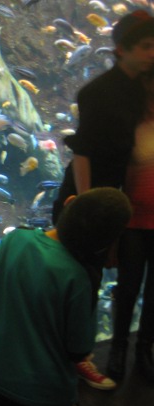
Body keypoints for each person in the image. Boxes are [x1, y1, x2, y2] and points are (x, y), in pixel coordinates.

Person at [0, 188, 132, 406]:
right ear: (108, 241)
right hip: (47, 398)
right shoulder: (78, 277)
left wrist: (14, 314)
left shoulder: (16, 239)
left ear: (68, 203)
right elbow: (78, 348)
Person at [51, 9, 154, 390]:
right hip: (87, 198)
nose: (152, 53)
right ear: (121, 49)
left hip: (116, 201)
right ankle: (70, 359)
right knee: (79, 279)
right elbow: (83, 152)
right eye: (145, 46)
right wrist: (86, 204)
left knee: (94, 280)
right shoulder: (97, 92)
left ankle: (84, 358)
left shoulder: (140, 90)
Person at [107, 71, 154, 383]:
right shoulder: (130, 125)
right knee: (127, 288)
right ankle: (118, 348)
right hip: (134, 222)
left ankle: (144, 349)